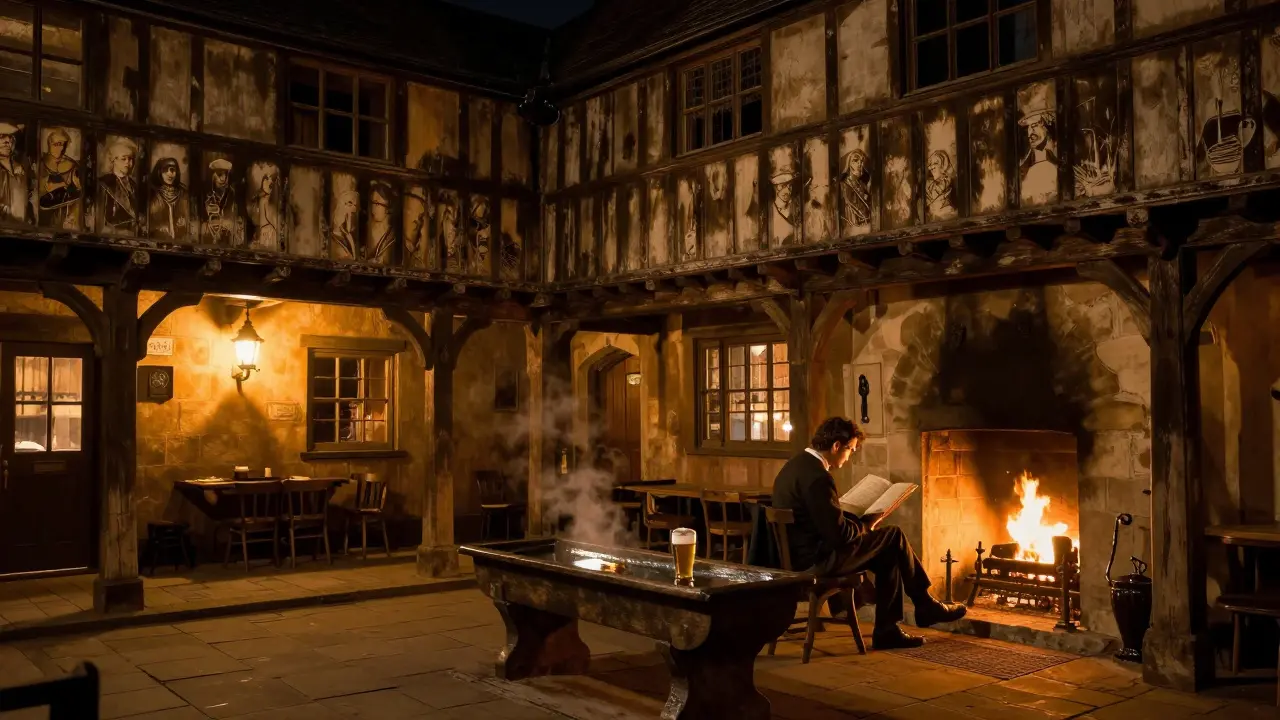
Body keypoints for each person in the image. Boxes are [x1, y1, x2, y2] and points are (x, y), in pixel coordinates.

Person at [771, 417, 966, 649]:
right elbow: (839, 536)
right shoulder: (818, 478)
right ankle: (922, 605)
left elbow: (823, 521)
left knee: (889, 552)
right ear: (836, 446)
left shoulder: (795, 466)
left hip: (798, 554)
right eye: (850, 449)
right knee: (893, 535)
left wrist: (849, 518)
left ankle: (890, 629)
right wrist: (866, 524)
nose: (850, 456)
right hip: (817, 560)